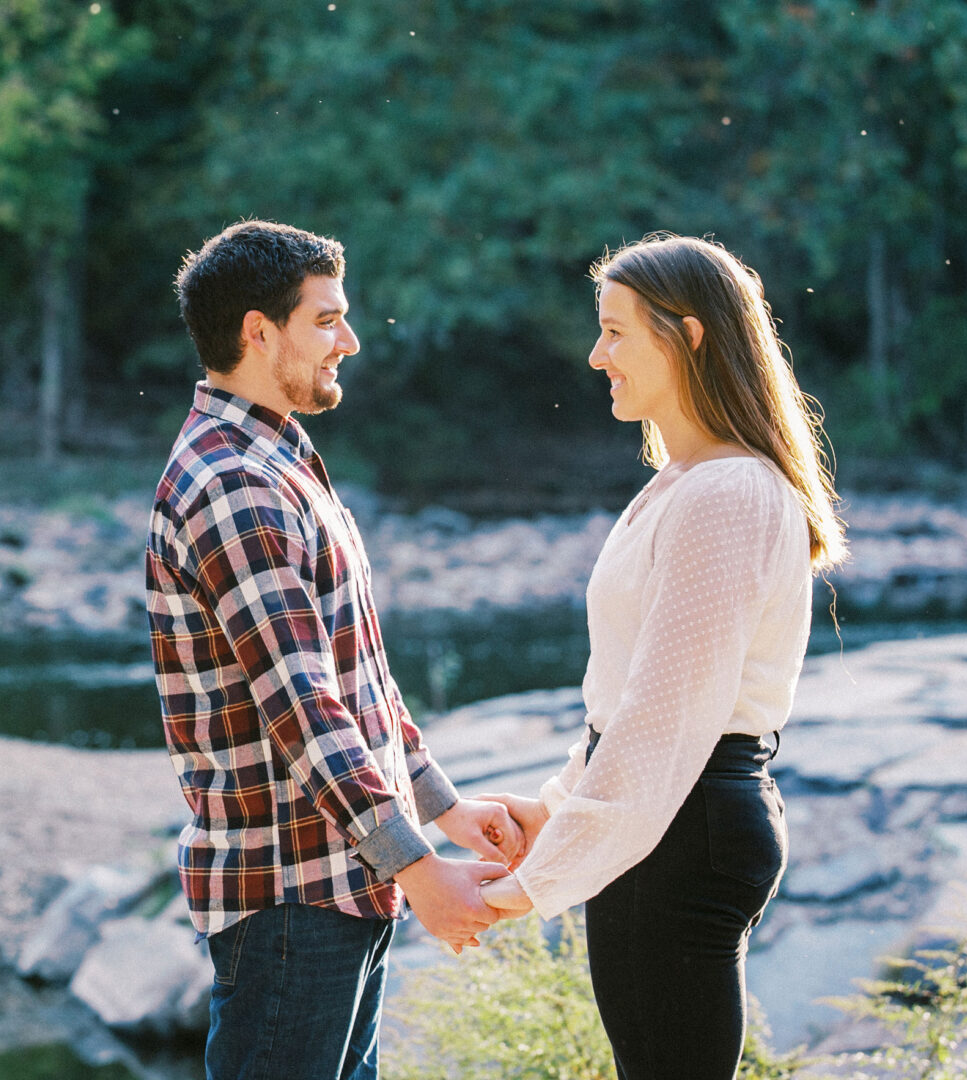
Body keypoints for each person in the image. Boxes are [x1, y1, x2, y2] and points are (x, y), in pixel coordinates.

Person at [146, 219, 522, 1080]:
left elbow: (358, 680)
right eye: (326, 320)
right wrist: (424, 872)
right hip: (291, 900)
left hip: (333, 887)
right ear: (257, 331)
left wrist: (443, 807)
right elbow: (303, 709)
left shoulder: (276, 458)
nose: (349, 341)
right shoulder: (235, 484)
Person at [477, 232, 847, 1080]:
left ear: (688, 337)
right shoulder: (682, 483)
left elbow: (666, 716)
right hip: (670, 820)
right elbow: (625, 699)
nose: (596, 353)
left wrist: (533, 884)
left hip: (687, 825)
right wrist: (554, 809)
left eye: (615, 332)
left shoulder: (729, 491)